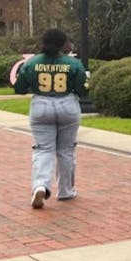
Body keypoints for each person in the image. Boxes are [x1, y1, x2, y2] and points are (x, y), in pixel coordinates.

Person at [14, 28, 87, 209]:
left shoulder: (32, 63)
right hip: (67, 105)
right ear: (63, 44)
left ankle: (41, 185)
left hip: (41, 106)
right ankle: (65, 190)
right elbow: (81, 90)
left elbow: (20, 88)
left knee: (43, 149)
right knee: (66, 150)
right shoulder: (73, 63)